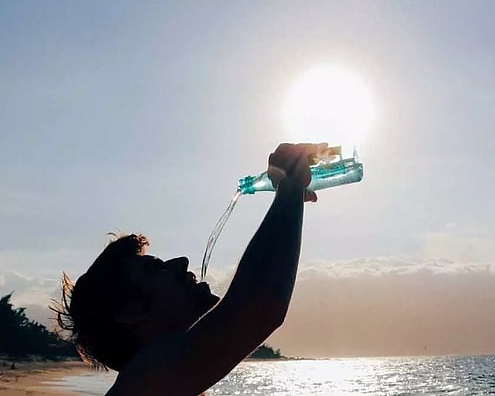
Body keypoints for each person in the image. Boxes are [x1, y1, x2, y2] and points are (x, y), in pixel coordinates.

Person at [53, 143, 326, 396]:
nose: (181, 262)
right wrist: (289, 185)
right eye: (154, 268)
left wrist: (289, 193)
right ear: (129, 312)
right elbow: (259, 308)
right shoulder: (144, 381)